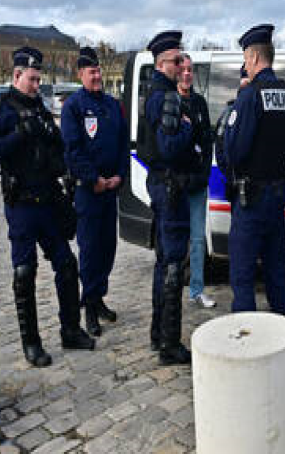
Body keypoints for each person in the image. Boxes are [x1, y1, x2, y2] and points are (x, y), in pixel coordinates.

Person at [0, 46, 94, 367]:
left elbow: (58, 147)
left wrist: (67, 172)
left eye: (38, 79)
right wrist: (17, 135)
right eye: (31, 79)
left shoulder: (41, 109)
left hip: (49, 201)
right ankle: (31, 343)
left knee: (67, 266)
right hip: (22, 206)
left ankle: (70, 329)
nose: (35, 85)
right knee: (24, 272)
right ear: (16, 75)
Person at [222, 24, 285, 317]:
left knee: (243, 275)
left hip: (251, 199)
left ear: (255, 58)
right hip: (277, 195)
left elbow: (234, 151)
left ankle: (247, 343)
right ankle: (282, 333)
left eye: (245, 59)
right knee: (276, 273)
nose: (245, 65)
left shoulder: (250, 96)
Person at [61, 47, 130, 337]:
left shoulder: (112, 105)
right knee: (89, 250)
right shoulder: (73, 107)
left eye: (99, 70)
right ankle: (88, 306)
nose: (97, 76)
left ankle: (98, 295)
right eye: (91, 72)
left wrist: (120, 176)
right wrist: (94, 179)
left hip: (110, 190)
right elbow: (73, 150)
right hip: (89, 192)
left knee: (107, 249)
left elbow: (124, 144)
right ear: (80, 74)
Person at [138, 30, 196, 365]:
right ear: (162, 63)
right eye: (177, 60)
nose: (181, 64)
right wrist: (186, 127)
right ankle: (169, 344)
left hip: (162, 185)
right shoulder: (167, 98)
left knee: (164, 263)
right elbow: (170, 147)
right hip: (171, 187)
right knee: (174, 263)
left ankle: (159, 332)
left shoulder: (155, 93)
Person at [177, 53, 216, 308]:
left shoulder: (200, 103)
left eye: (191, 70)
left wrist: (203, 173)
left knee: (199, 239)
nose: (187, 74)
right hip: (177, 182)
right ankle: (171, 288)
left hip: (197, 183)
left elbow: (207, 140)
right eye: (183, 70)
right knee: (175, 239)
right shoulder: (170, 102)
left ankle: (196, 289)